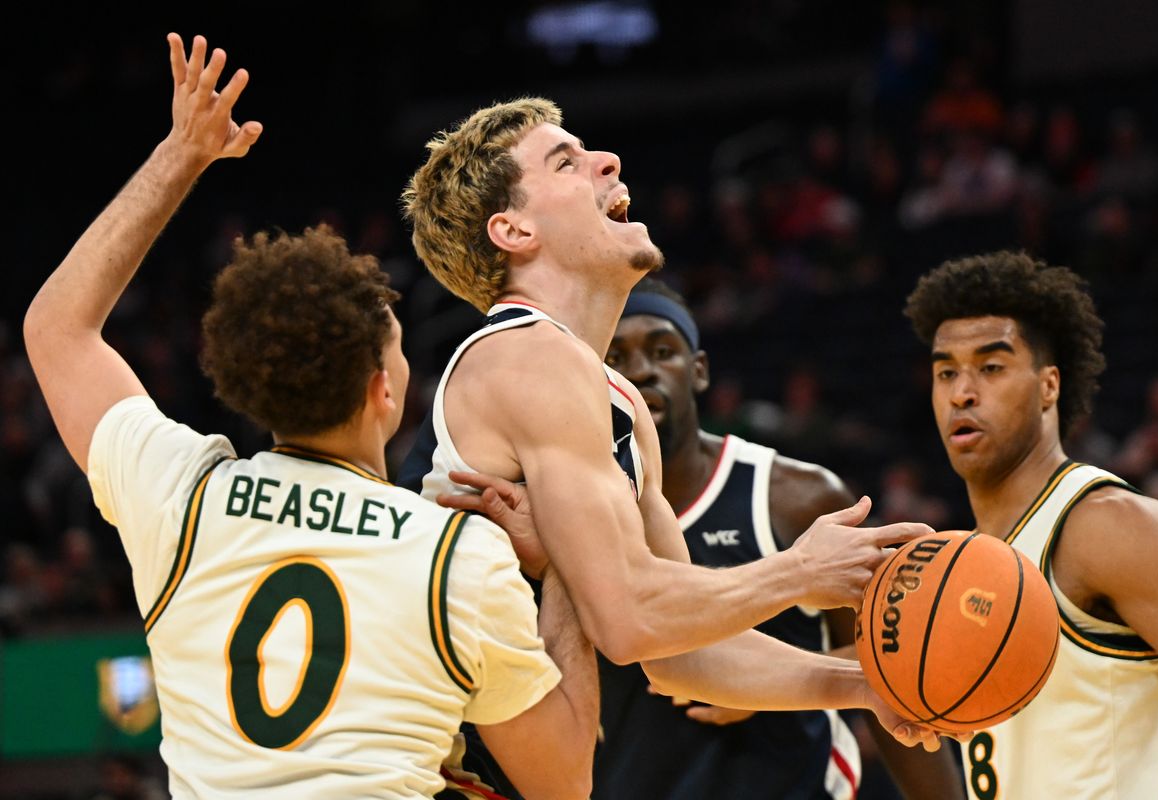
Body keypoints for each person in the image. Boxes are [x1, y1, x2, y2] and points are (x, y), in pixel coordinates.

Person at [23, 34, 597, 800]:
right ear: (381, 391)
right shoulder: (458, 557)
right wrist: (565, 560)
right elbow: (564, 782)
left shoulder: (180, 496)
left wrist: (182, 154)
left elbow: (57, 327)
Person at [397, 97, 948, 793]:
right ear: (512, 229)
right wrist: (800, 571)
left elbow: (680, 650)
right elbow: (628, 618)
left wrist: (864, 684)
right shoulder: (522, 357)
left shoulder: (614, 400)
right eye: (566, 161)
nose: (609, 161)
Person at [593, 277, 965, 800]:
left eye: (662, 351)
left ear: (699, 371)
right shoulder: (578, 510)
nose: (642, 370)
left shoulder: (796, 496)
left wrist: (763, 679)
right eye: (617, 356)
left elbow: (888, 660)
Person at [904, 251, 1158, 799]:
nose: (961, 393)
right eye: (946, 372)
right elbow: (877, 667)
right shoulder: (969, 562)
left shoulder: (1108, 526)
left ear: (1049, 386)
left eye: (991, 367)